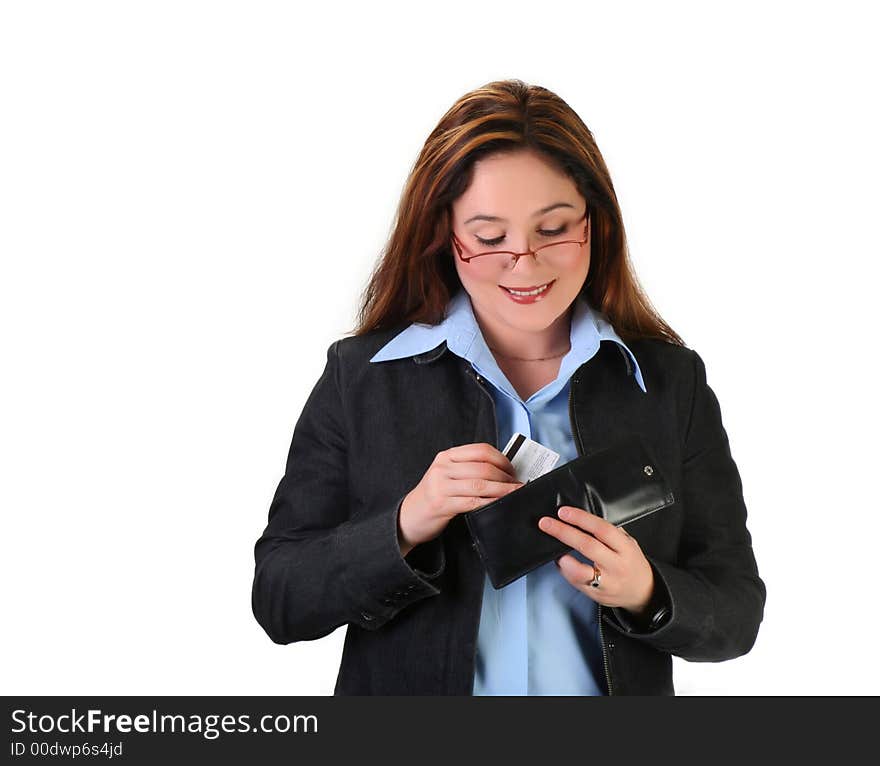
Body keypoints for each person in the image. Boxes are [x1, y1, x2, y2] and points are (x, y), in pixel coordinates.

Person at [250, 79, 766, 695]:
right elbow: (279, 599)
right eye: (490, 237)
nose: (524, 261)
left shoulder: (669, 385)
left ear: (595, 226)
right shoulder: (361, 378)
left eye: (553, 229)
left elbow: (736, 612)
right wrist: (407, 523)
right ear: (446, 235)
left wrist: (646, 591)